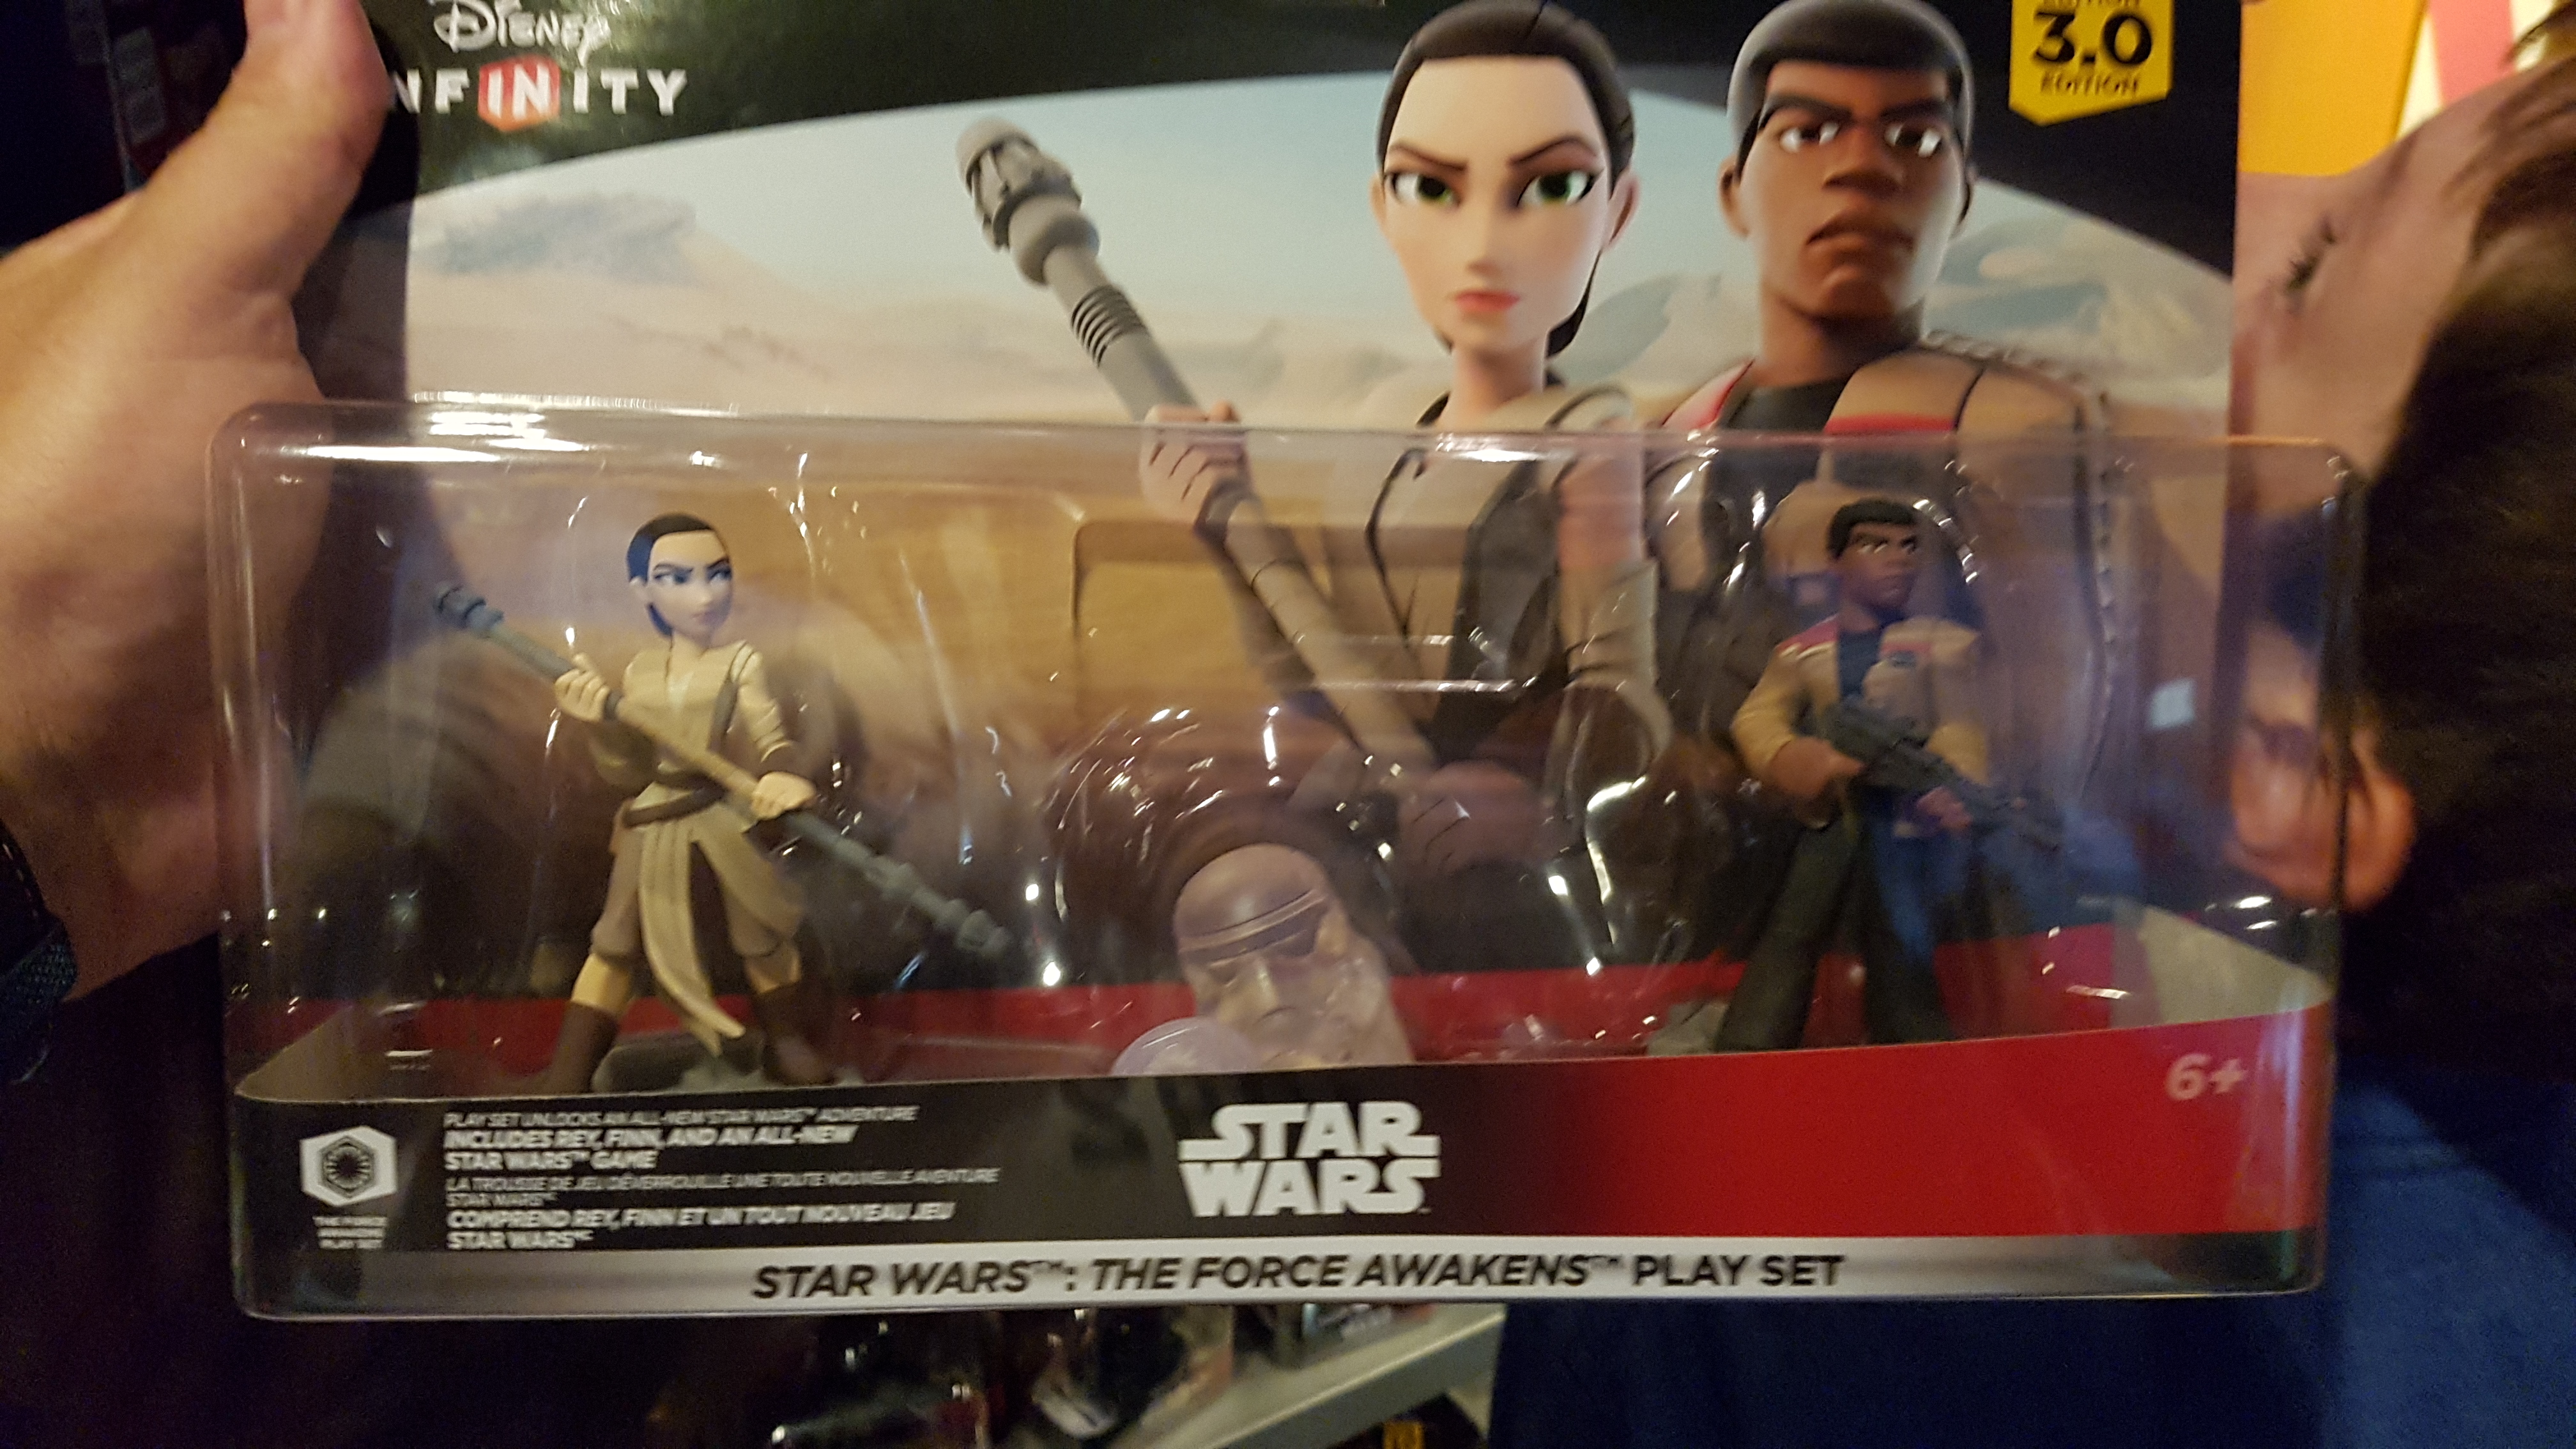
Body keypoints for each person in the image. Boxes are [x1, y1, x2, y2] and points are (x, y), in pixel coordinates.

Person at [1494, 8, 2576, 1443]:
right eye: (1809, 129)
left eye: (2311, 270)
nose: (2240, 200)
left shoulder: (1724, 1284)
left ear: (2285, 759)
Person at [1126, 0, 1685, 974]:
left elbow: (1622, 699)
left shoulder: (1588, 442)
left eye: (1550, 186)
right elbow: (1313, 676)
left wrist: (1523, 793)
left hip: (1490, 862)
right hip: (1356, 816)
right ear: (1383, 206)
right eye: (1431, 187)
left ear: (1619, 211)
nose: (1483, 242)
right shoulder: (1382, 420)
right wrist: (1225, 529)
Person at [537, 514, 838, 1092]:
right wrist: (598, 724)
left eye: (717, 574)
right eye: (677, 579)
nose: (704, 595)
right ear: (642, 591)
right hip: (653, 820)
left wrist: (783, 775)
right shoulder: (641, 670)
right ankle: (569, 1071)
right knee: (614, 943)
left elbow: (771, 737)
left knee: (760, 934)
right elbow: (628, 770)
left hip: (721, 816)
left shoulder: (740, 663)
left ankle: (788, 1044)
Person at [1701, 498, 1979, 1050]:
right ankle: (1750, 1048)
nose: (1898, 560)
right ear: (1836, 561)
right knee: (1791, 935)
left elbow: (1961, 725)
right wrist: (1791, 757)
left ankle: (1916, 1053)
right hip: (1832, 818)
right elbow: (1756, 719)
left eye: (1909, 547)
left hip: (1903, 821)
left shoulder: (1943, 645)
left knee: (1901, 947)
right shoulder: (1802, 652)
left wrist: (1951, 785)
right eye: (1875, 545)